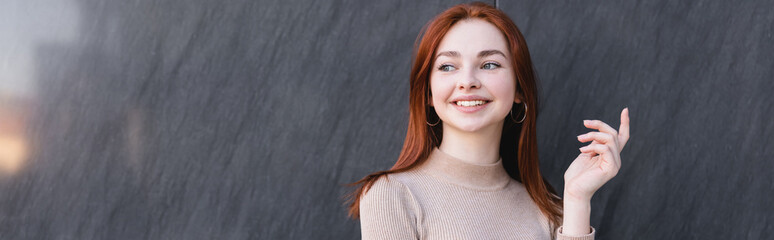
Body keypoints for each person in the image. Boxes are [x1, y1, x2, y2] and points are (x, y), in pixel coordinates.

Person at [346, 2, 630, 239]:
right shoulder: (392, 195)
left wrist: (578, 199)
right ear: (428, 93)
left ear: (519, 89)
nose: (467, 81)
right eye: (447, 66)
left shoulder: (550, 211)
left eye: (490, 64)